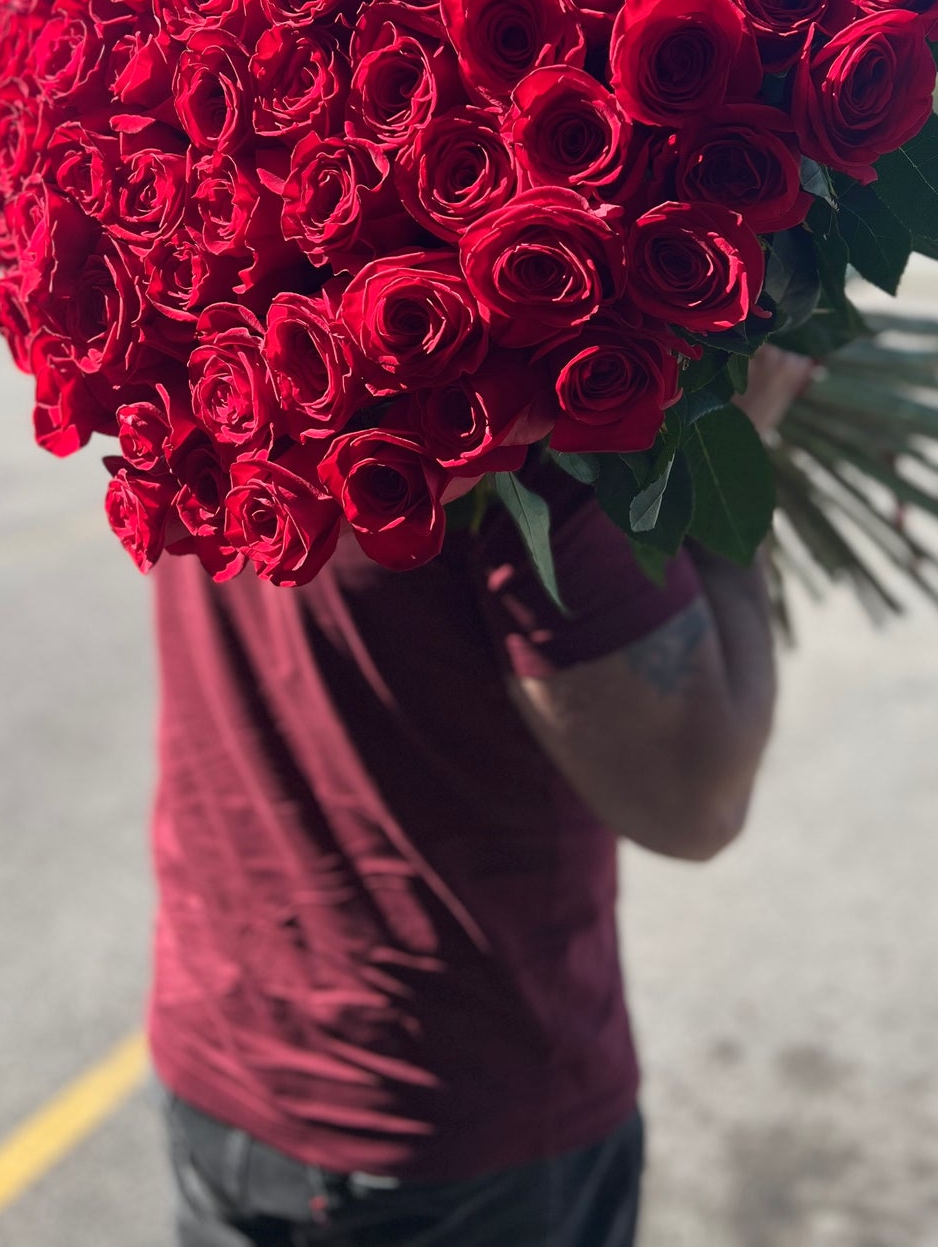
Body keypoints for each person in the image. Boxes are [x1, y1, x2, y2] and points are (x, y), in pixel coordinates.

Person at [153, 346, 815, 1246]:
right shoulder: (531, 429)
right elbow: (696, 801)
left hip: (221, 1041)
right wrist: (728, 460)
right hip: (451, 1119)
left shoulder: (198, 354)